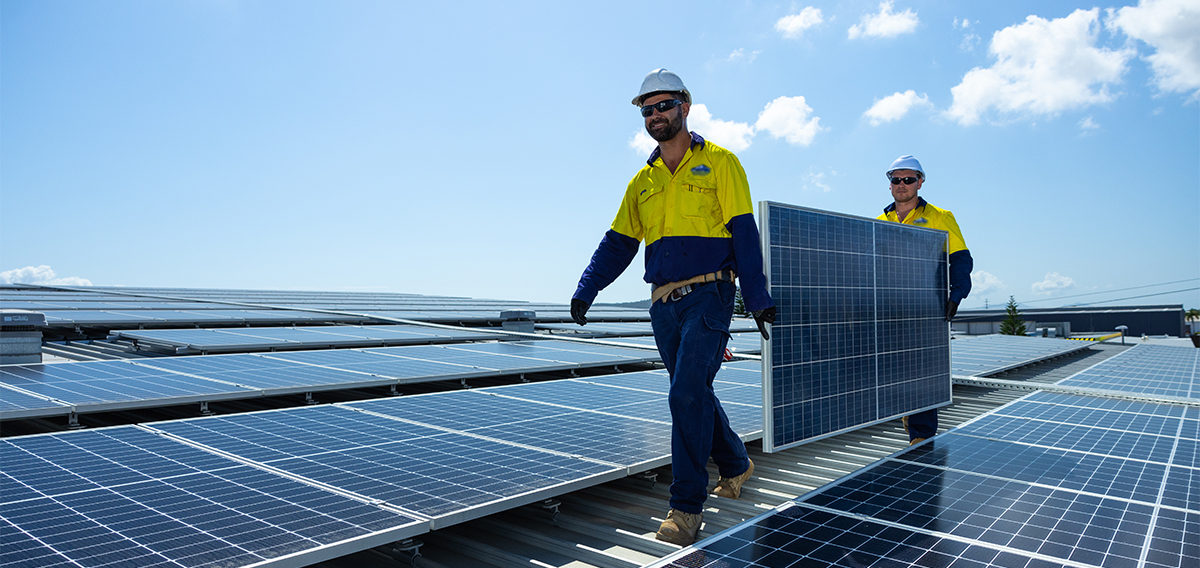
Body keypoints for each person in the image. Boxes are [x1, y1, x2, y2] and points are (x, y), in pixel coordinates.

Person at [570, 69, 776, 546]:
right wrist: (587, 289)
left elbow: (744, 233)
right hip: (663, 306)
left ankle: (686, 507)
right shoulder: (642, 180)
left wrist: (758, 299)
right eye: (648, 109)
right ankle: (735, 462)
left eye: (664, 105)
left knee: (685, 392)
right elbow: (618, 243)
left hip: (710, 294)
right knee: (693, 393)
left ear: (685, 105)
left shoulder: (721, 162)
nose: (656, 115)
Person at [877, 155, 972, 445]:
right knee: (892, 364)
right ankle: (908, 410)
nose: (902, 185)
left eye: (908, 179)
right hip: (891, 306)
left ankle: (921, 432)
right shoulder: (881, 221)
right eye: (896, 179)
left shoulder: (940, 217)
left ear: (920, 181)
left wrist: (956, 294)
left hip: (926, 304)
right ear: (890, 184)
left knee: (923, 366)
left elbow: (961, 259)